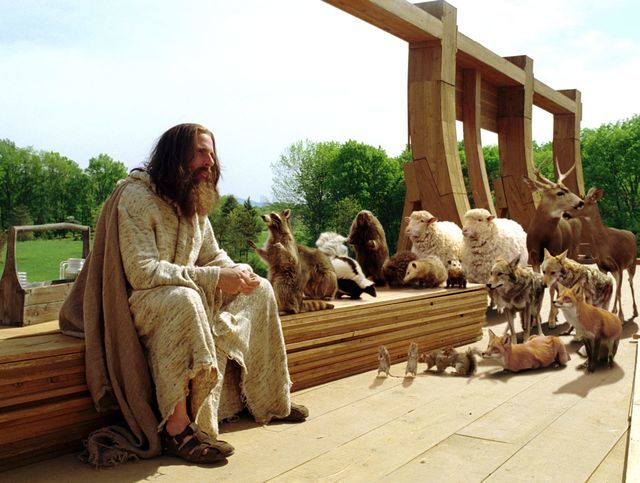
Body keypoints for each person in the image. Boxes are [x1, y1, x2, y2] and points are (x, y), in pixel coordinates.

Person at [60, 123, 307, 466]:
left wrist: (239, 272)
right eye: (201, 152)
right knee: (183, 300)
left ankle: (270, 399)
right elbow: (143, 272)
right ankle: (177, 430)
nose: (211, 161)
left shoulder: (192, 196)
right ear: (176, 156)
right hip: (142, 301)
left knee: (261, 289)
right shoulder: (136, 197)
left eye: (212, 153)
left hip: (185, 289)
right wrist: (215, 278)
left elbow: (212, 256)